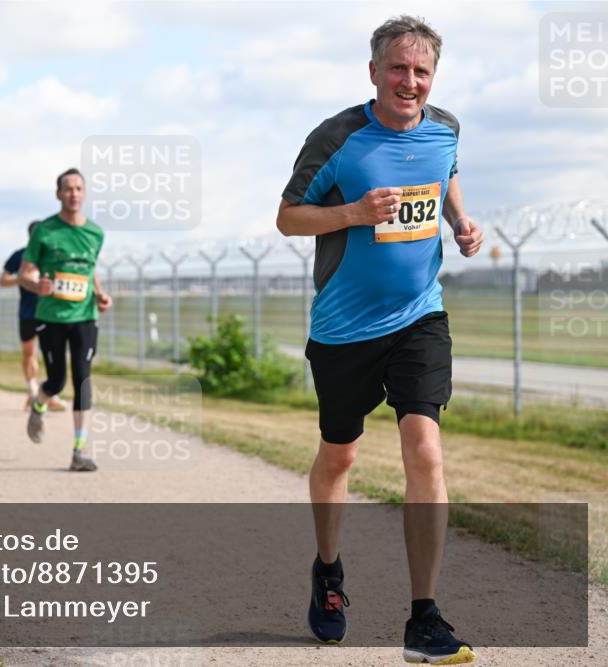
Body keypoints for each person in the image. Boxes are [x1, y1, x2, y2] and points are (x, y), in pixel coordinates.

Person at [276, 15, 483, 665]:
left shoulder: (445, 128)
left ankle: (424, 617)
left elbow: (446, 171)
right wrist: (354, 213)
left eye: (422, 71)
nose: (410, 81)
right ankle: (328, 570)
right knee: (340, 456)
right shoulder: (337, 137)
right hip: (343, 330)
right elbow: (287, 217)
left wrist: (461, 220)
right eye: (398, 68)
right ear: (373, 71)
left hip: (420, 316)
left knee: (425, 447)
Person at [19, 168, 112, 472]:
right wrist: (37, 286)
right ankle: (39, 404)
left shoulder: (96, 233)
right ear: (59, 194)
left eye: (79, 188)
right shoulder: (45, 231)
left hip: (84, 316)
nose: (74, 194)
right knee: (57, 380)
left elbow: (90, 270)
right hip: (51, 316)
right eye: (68, 189)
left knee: (82, 380)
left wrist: (100, 294)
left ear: (84, 193)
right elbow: (25, 273)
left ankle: (79, 451)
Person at [0, 221, 67, 411]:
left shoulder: (54, 256)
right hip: (28, 312)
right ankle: (32, 390)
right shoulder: (20, 256)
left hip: (51, 312)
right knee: (29, 354)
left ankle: (49, 393)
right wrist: (21, 279)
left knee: (53, 353)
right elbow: (3, 280)